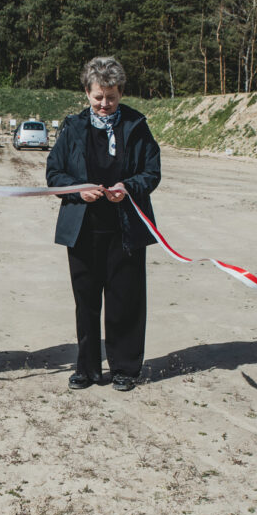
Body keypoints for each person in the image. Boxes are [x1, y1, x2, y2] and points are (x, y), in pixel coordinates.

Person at [46, 56, 161, 392]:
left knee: (125, 301)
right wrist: (78, 190)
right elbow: (54, 174)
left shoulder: (136, 125)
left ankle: (125, 368)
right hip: (82, 230)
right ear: (87, 92)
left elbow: (151, 172)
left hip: (126, 229)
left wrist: (129, 187)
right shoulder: (72, 127)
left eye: (111, 97)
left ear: (121, 92)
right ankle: (87, 368)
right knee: (86, 302)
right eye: (98, 97)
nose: (104, 104)